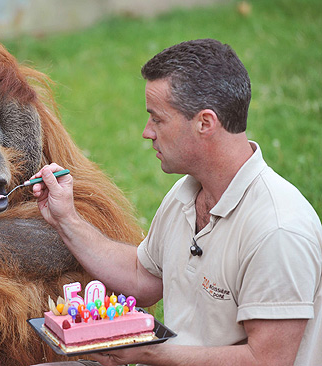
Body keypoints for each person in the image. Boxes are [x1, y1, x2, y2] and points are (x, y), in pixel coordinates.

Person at [31, 39, 322, 366]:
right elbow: (142, 277)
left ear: (205, 123)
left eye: (157, 119)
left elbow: (268, 361)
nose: (146, 132)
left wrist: (148, 352)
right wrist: (65, 218)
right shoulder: (186, 194)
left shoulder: (278, 229)